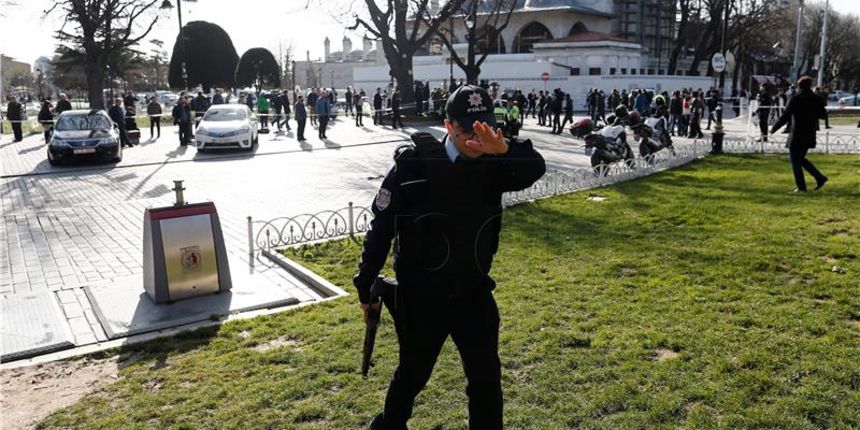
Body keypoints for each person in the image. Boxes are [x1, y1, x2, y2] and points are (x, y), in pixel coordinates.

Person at [357, 85, 546, 430]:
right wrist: (364, 285)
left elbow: (535, 168)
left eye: (485, 128)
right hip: (422, 296)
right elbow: (381, 229)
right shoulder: (413, 165)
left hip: (473, 291)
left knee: (486, 378)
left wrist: (503, 148)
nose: (476, 139)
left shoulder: (495, 161)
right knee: (413, 373)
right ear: (448, 125)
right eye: (467, 130)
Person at [771, 76, 828, 193]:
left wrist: (774, 128)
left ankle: (802, 187)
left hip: (797, 132)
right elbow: (823, 115)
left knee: (795, 160)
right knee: (799, 158)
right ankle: (819, 178)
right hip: (810, 131)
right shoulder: (817, 99)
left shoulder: (795, 98)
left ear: (799, 86)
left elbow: (785, 115)